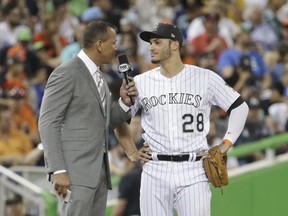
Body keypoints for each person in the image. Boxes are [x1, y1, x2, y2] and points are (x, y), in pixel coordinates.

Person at [126, 23, 249, 216]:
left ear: (174, 45)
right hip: (155, 168)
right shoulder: (140, 82)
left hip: (194, 168)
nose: (151, 47)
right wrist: (131, 151)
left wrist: (226, 143)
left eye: (157, 42)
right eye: (150, 43)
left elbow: (240, 107)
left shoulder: (204, 78)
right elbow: (119, 119)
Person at [38, 21, 148, 216]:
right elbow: (48, 123)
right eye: (113, 42)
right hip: (74, 173)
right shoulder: (66, 72)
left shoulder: (99, 77)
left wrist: (123, 103)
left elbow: (106, 124)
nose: (116, 48)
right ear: (99, 44)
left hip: (98, 174)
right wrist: (58, 170)